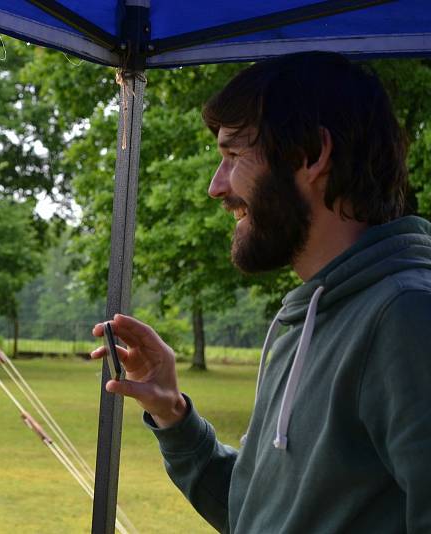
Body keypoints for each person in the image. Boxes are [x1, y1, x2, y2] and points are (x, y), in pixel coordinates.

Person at [93, 51, 431, 532]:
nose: (216, 186)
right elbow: (256, 514)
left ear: (311, 156)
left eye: (232, 155)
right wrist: (171, 411)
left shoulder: (408, 317)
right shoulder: (313, 318)